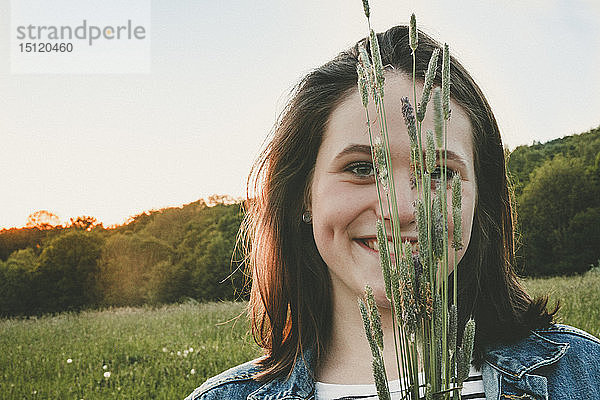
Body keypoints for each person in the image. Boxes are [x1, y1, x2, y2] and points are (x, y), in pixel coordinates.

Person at [185, 25, 600, 400]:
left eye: (439, 172)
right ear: (303, 198)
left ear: (480, 200)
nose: (401, 210)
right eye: (362, 168)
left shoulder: (584, 375)